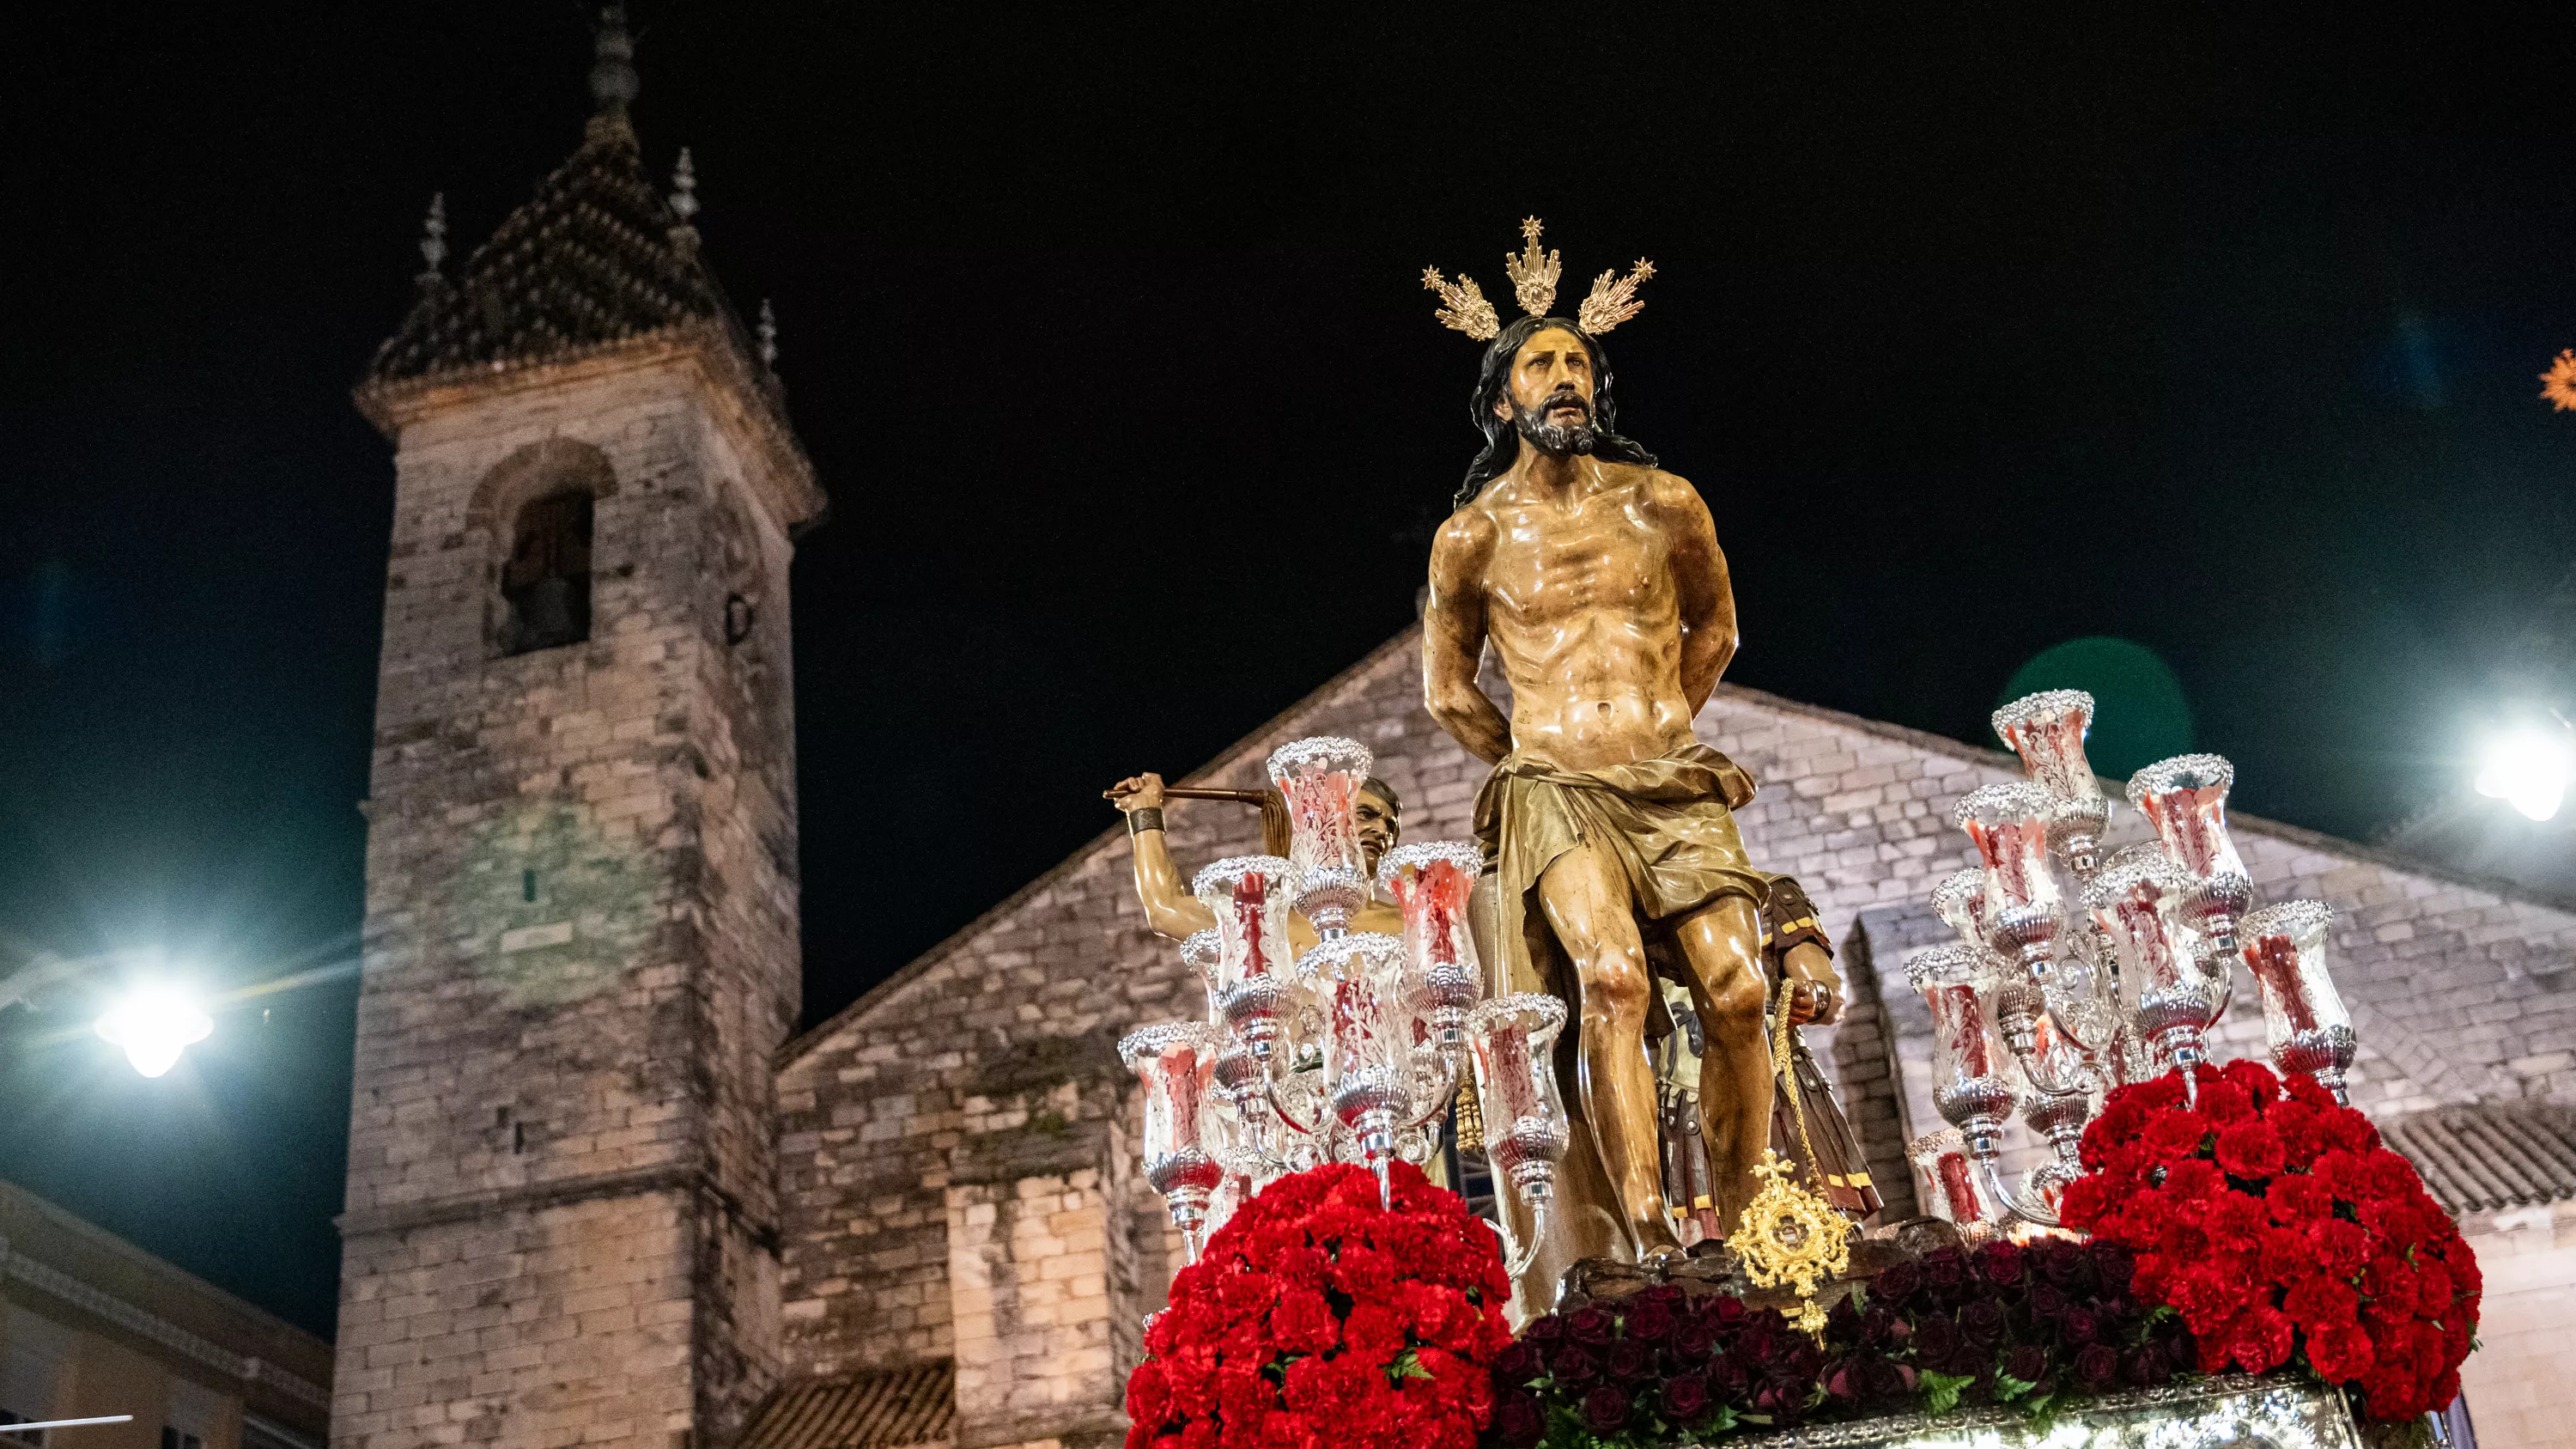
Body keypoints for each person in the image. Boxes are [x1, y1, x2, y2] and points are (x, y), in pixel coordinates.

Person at [1422, 272, 1818, 1262]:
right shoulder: (1471, 535)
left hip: (1670, 777)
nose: (1564, 378)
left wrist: (1659, 726)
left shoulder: (1662, 502)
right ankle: (1649, 1239)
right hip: (1558, 791)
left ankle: (1748, 1231)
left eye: (1576, 362)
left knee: (1737, 992)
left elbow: (1717, 628)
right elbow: (1448, 687)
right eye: (1540, 364)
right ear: (1503, 397)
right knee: (1612, 978)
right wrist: (1531, 756)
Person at [1104, 771, 1404, 945]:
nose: (1380, 830)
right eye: (1366, 815)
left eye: (1391, 827)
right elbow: (1165, 910)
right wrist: (1144, 810)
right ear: (1319, 821)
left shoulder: (1408, 923)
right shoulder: (1265, 917)